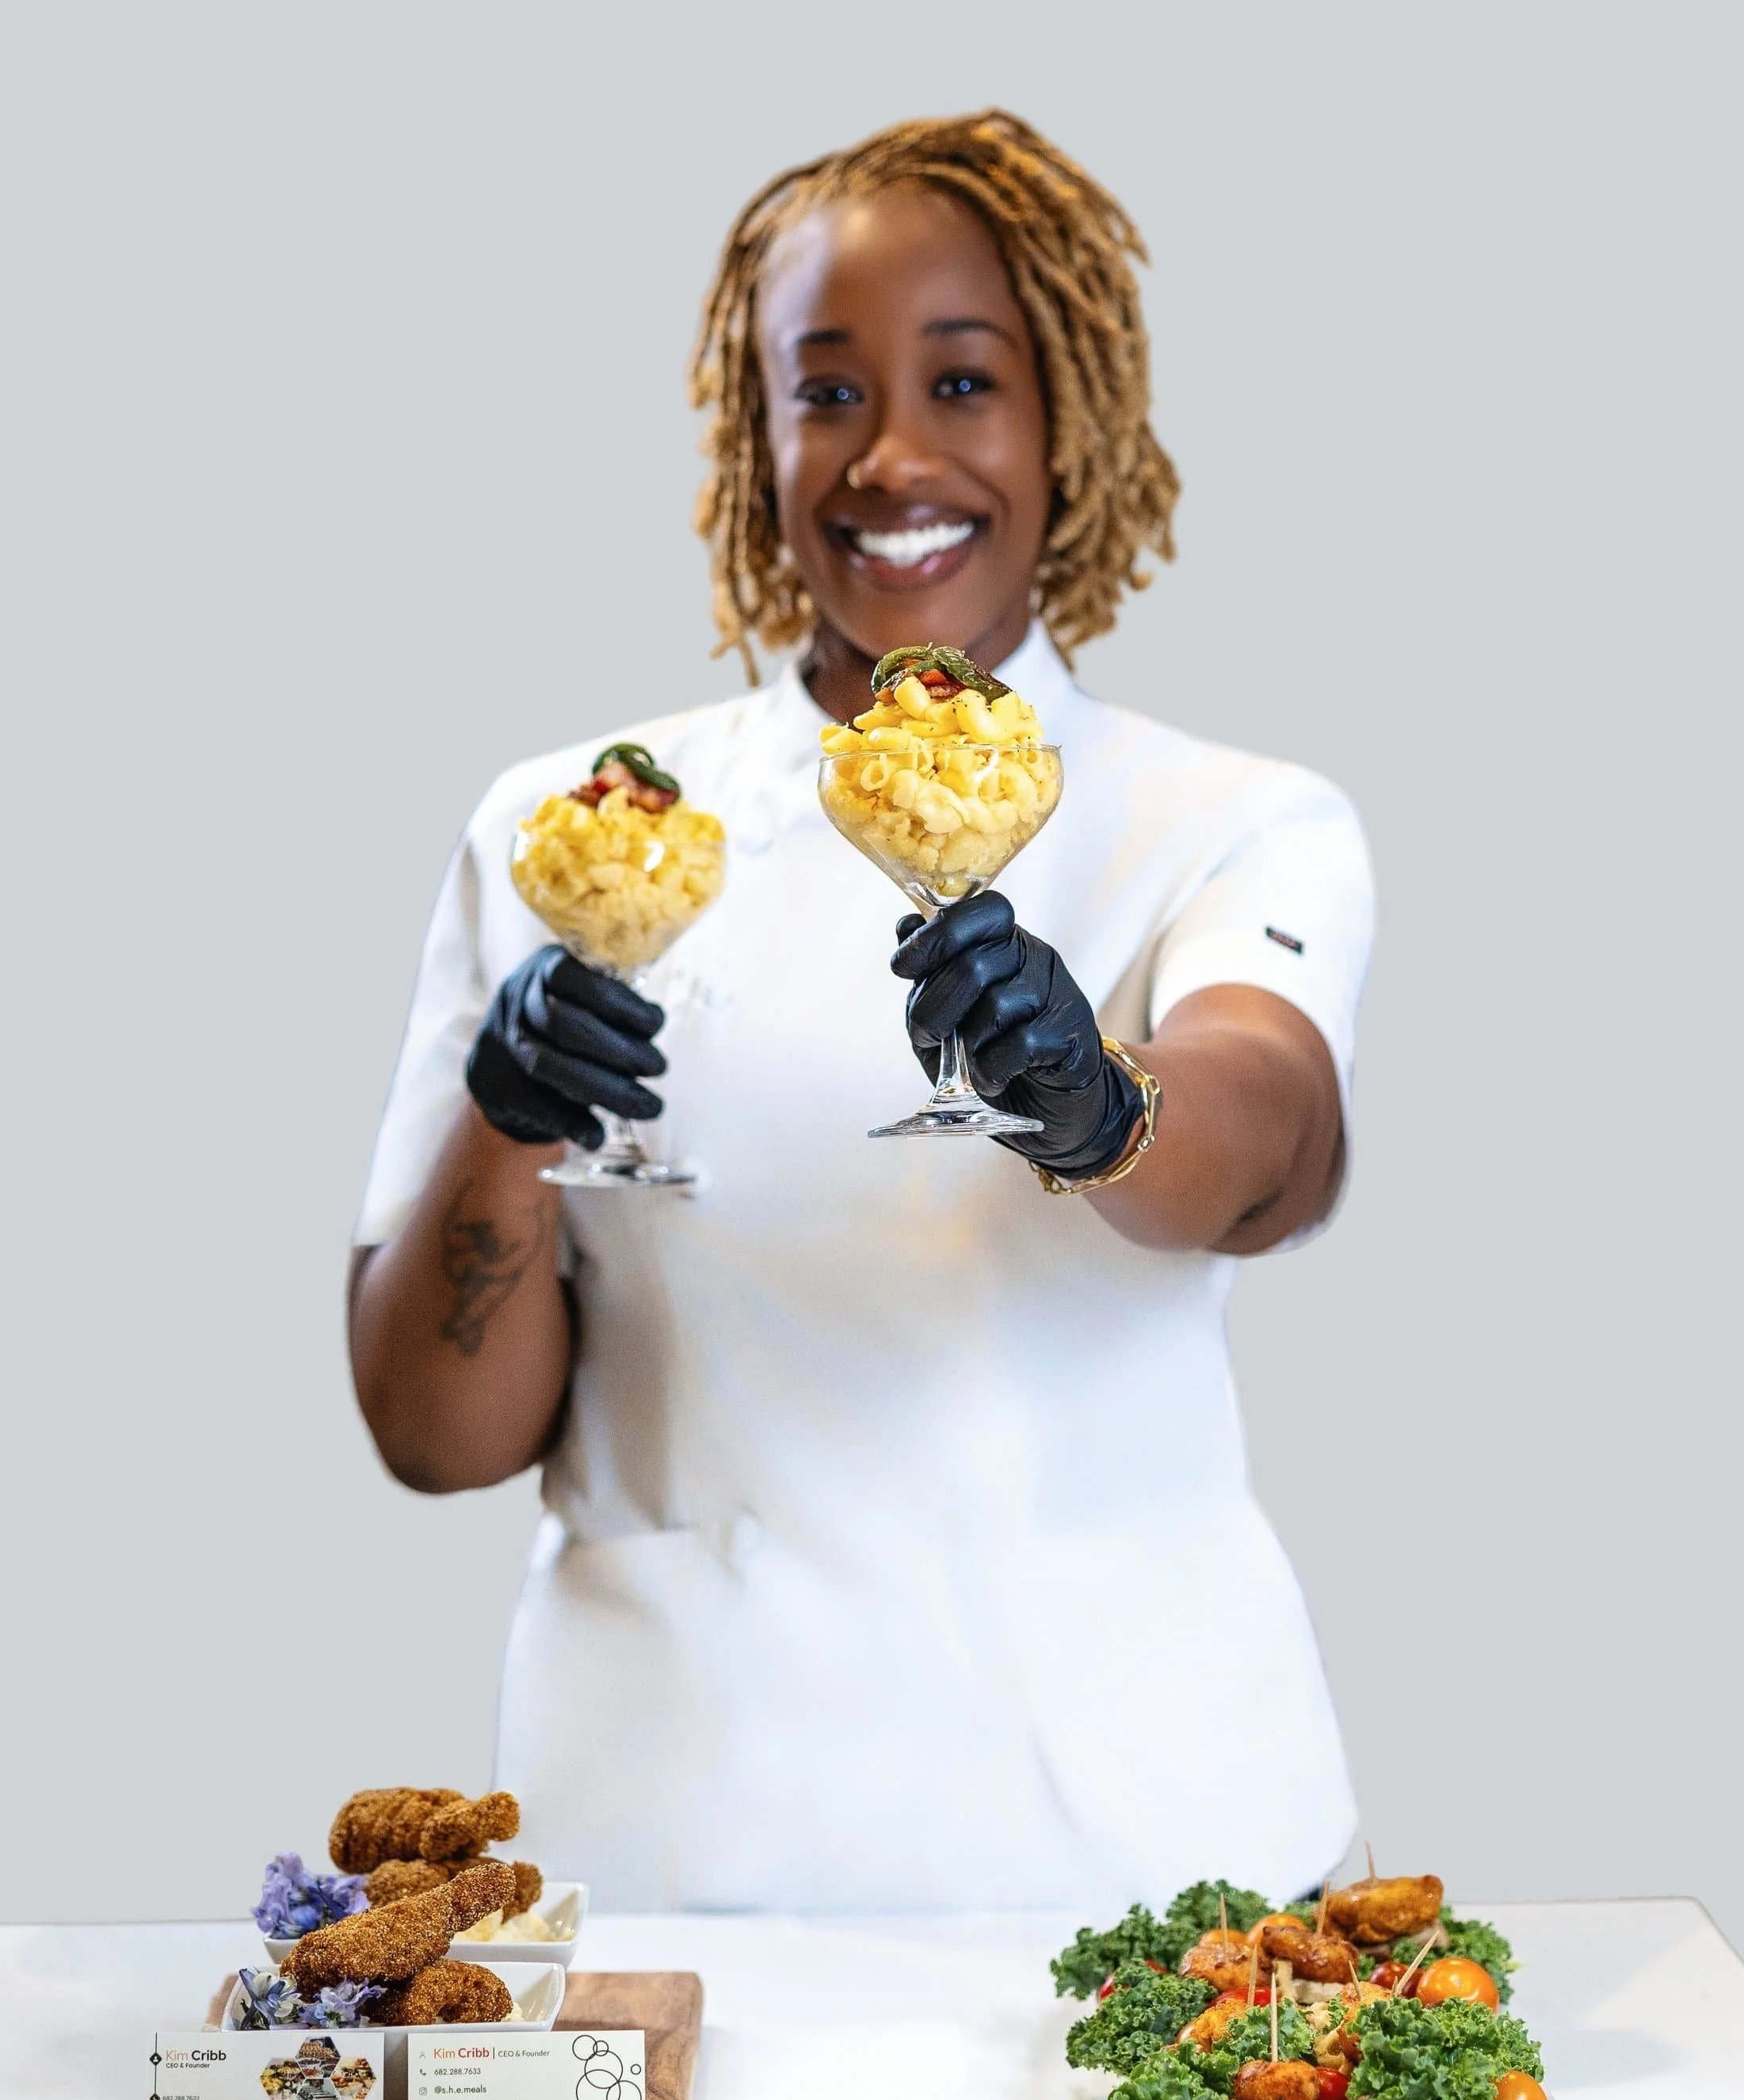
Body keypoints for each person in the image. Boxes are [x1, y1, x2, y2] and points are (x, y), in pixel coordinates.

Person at [349, 111, 1372, 1912]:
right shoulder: (570, 826)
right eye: (823, 394)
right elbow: (433, 1437)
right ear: (755, 446)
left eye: (963, 382)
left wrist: (1093, 1100)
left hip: (1145, 1841)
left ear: (1071, 424)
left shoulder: (1226, 816)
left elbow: (1268, 1141)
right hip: (676, 1842)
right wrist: (503, 1129)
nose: (892, 454)